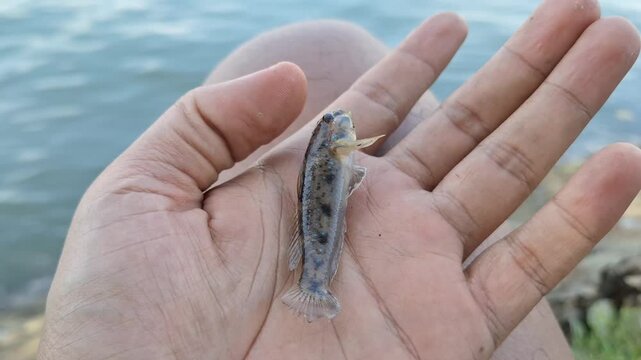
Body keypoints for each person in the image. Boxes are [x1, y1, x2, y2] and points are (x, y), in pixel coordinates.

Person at [37, 0, 641, 358]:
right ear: (338, 140)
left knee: (323, 45)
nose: (340, 128)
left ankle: (315, 284)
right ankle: (316, 287)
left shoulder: (339, 148)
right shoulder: (337, 147)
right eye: (338, 129)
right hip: (321, 262)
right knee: (341, 48)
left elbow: (334, 181)